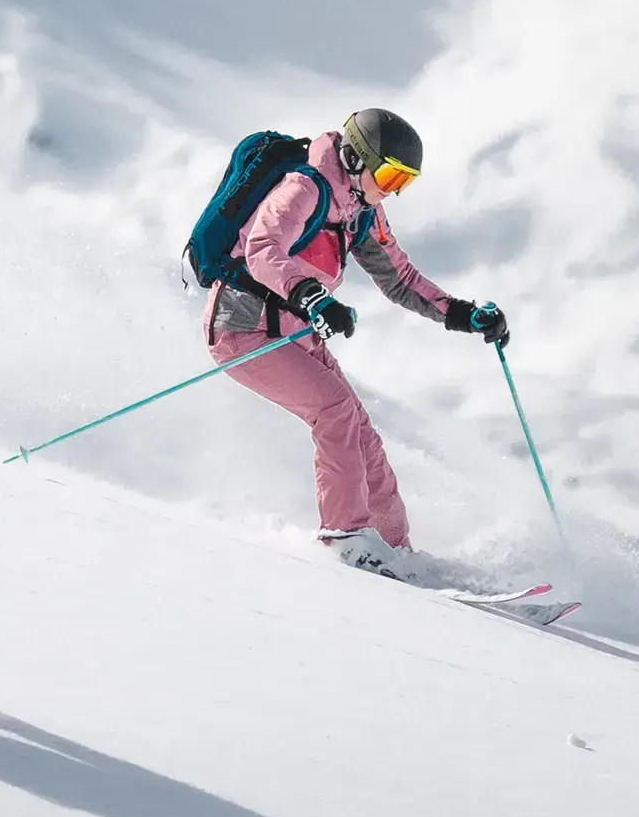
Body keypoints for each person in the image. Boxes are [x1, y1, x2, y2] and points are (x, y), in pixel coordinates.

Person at [202, 109, 510, 572]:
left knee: (362, 435)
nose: (390, 189)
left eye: (402, 182)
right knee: (335, 412)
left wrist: (462, 313)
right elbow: (261, 249)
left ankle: (396, 551)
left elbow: (400, 279)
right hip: (243, 326)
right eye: (388, 174)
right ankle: (346, 536)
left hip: (294, 331)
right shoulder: (305, 188)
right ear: (355, 157)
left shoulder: (360, 212)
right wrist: (310, 294)